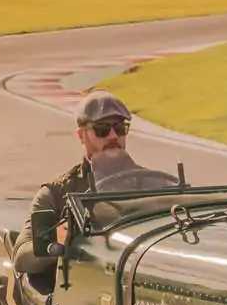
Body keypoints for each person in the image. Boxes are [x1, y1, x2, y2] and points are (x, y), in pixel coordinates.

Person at [18, 92, 165, 288]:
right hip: (82, 290)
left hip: (143, 285)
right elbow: (22, 256)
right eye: (102, 130)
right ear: (81, 135)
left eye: (120, 128)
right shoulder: (57, 193)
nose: (113, 136)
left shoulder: (153, 185)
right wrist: (56, 242)